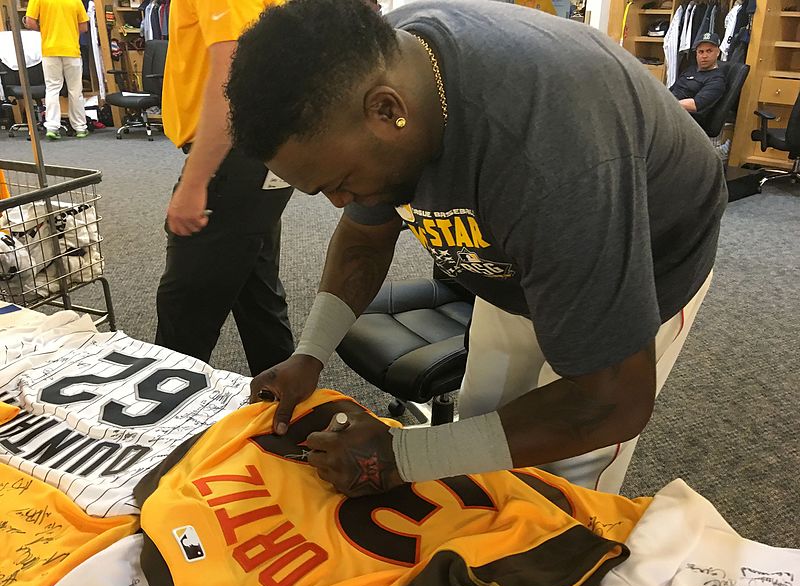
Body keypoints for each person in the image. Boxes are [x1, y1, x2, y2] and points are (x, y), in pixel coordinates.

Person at [227, 0, 727, 498]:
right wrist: (309, 355)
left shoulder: (553, 163)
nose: (340, 202)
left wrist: (401, 456)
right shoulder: (368, 68)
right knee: (483, 420)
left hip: (643, 250)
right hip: (515, 245)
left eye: (340, 183)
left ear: (388, 111)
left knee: (563, 483)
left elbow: (608, 402)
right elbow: (363, 239)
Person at [154, 0, 295, 377]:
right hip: (261, 153)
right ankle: (287, 410)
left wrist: (195, 181)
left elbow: (234, 75)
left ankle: (165, 426)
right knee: (257, 295)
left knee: (183, 313)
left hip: (234, 156)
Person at [24, 0, 89, 140]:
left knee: (52, 88)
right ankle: (80, 127)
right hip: (71, 50)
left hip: (50, 50)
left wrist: (46, 29)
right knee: (75, 90)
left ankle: (52, 126)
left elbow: (29, 22)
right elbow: (83, 27)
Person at [670, 32, 727, 125]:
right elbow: (672, 89)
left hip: (684, 120)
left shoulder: (717, 80)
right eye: (701, 52)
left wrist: (667, 103)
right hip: (669, 110)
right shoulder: (690, 70)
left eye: (709, 51)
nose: (704, 56)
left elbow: (695, 105)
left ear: (717, 52)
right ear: (696, 54)